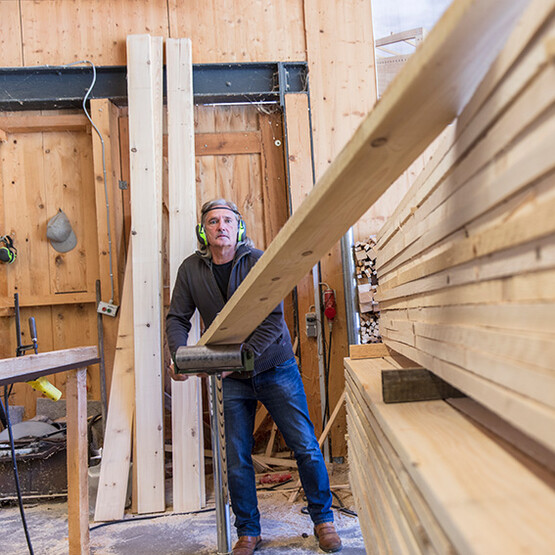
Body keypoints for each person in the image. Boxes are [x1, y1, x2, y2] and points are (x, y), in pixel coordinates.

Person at [166, 198, 342, 554]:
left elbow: (273, 320)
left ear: (239, 227)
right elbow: (177, 318)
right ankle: (248, 531)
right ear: (204, 230)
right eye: (213, 221)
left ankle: (323, 520)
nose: (221, 227)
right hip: (230, 376)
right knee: (236, 457)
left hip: (273, 367)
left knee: (305, 447)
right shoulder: (190, 270)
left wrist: (241, 359)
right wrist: (179, 356)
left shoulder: (258, 262)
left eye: (227, 220)